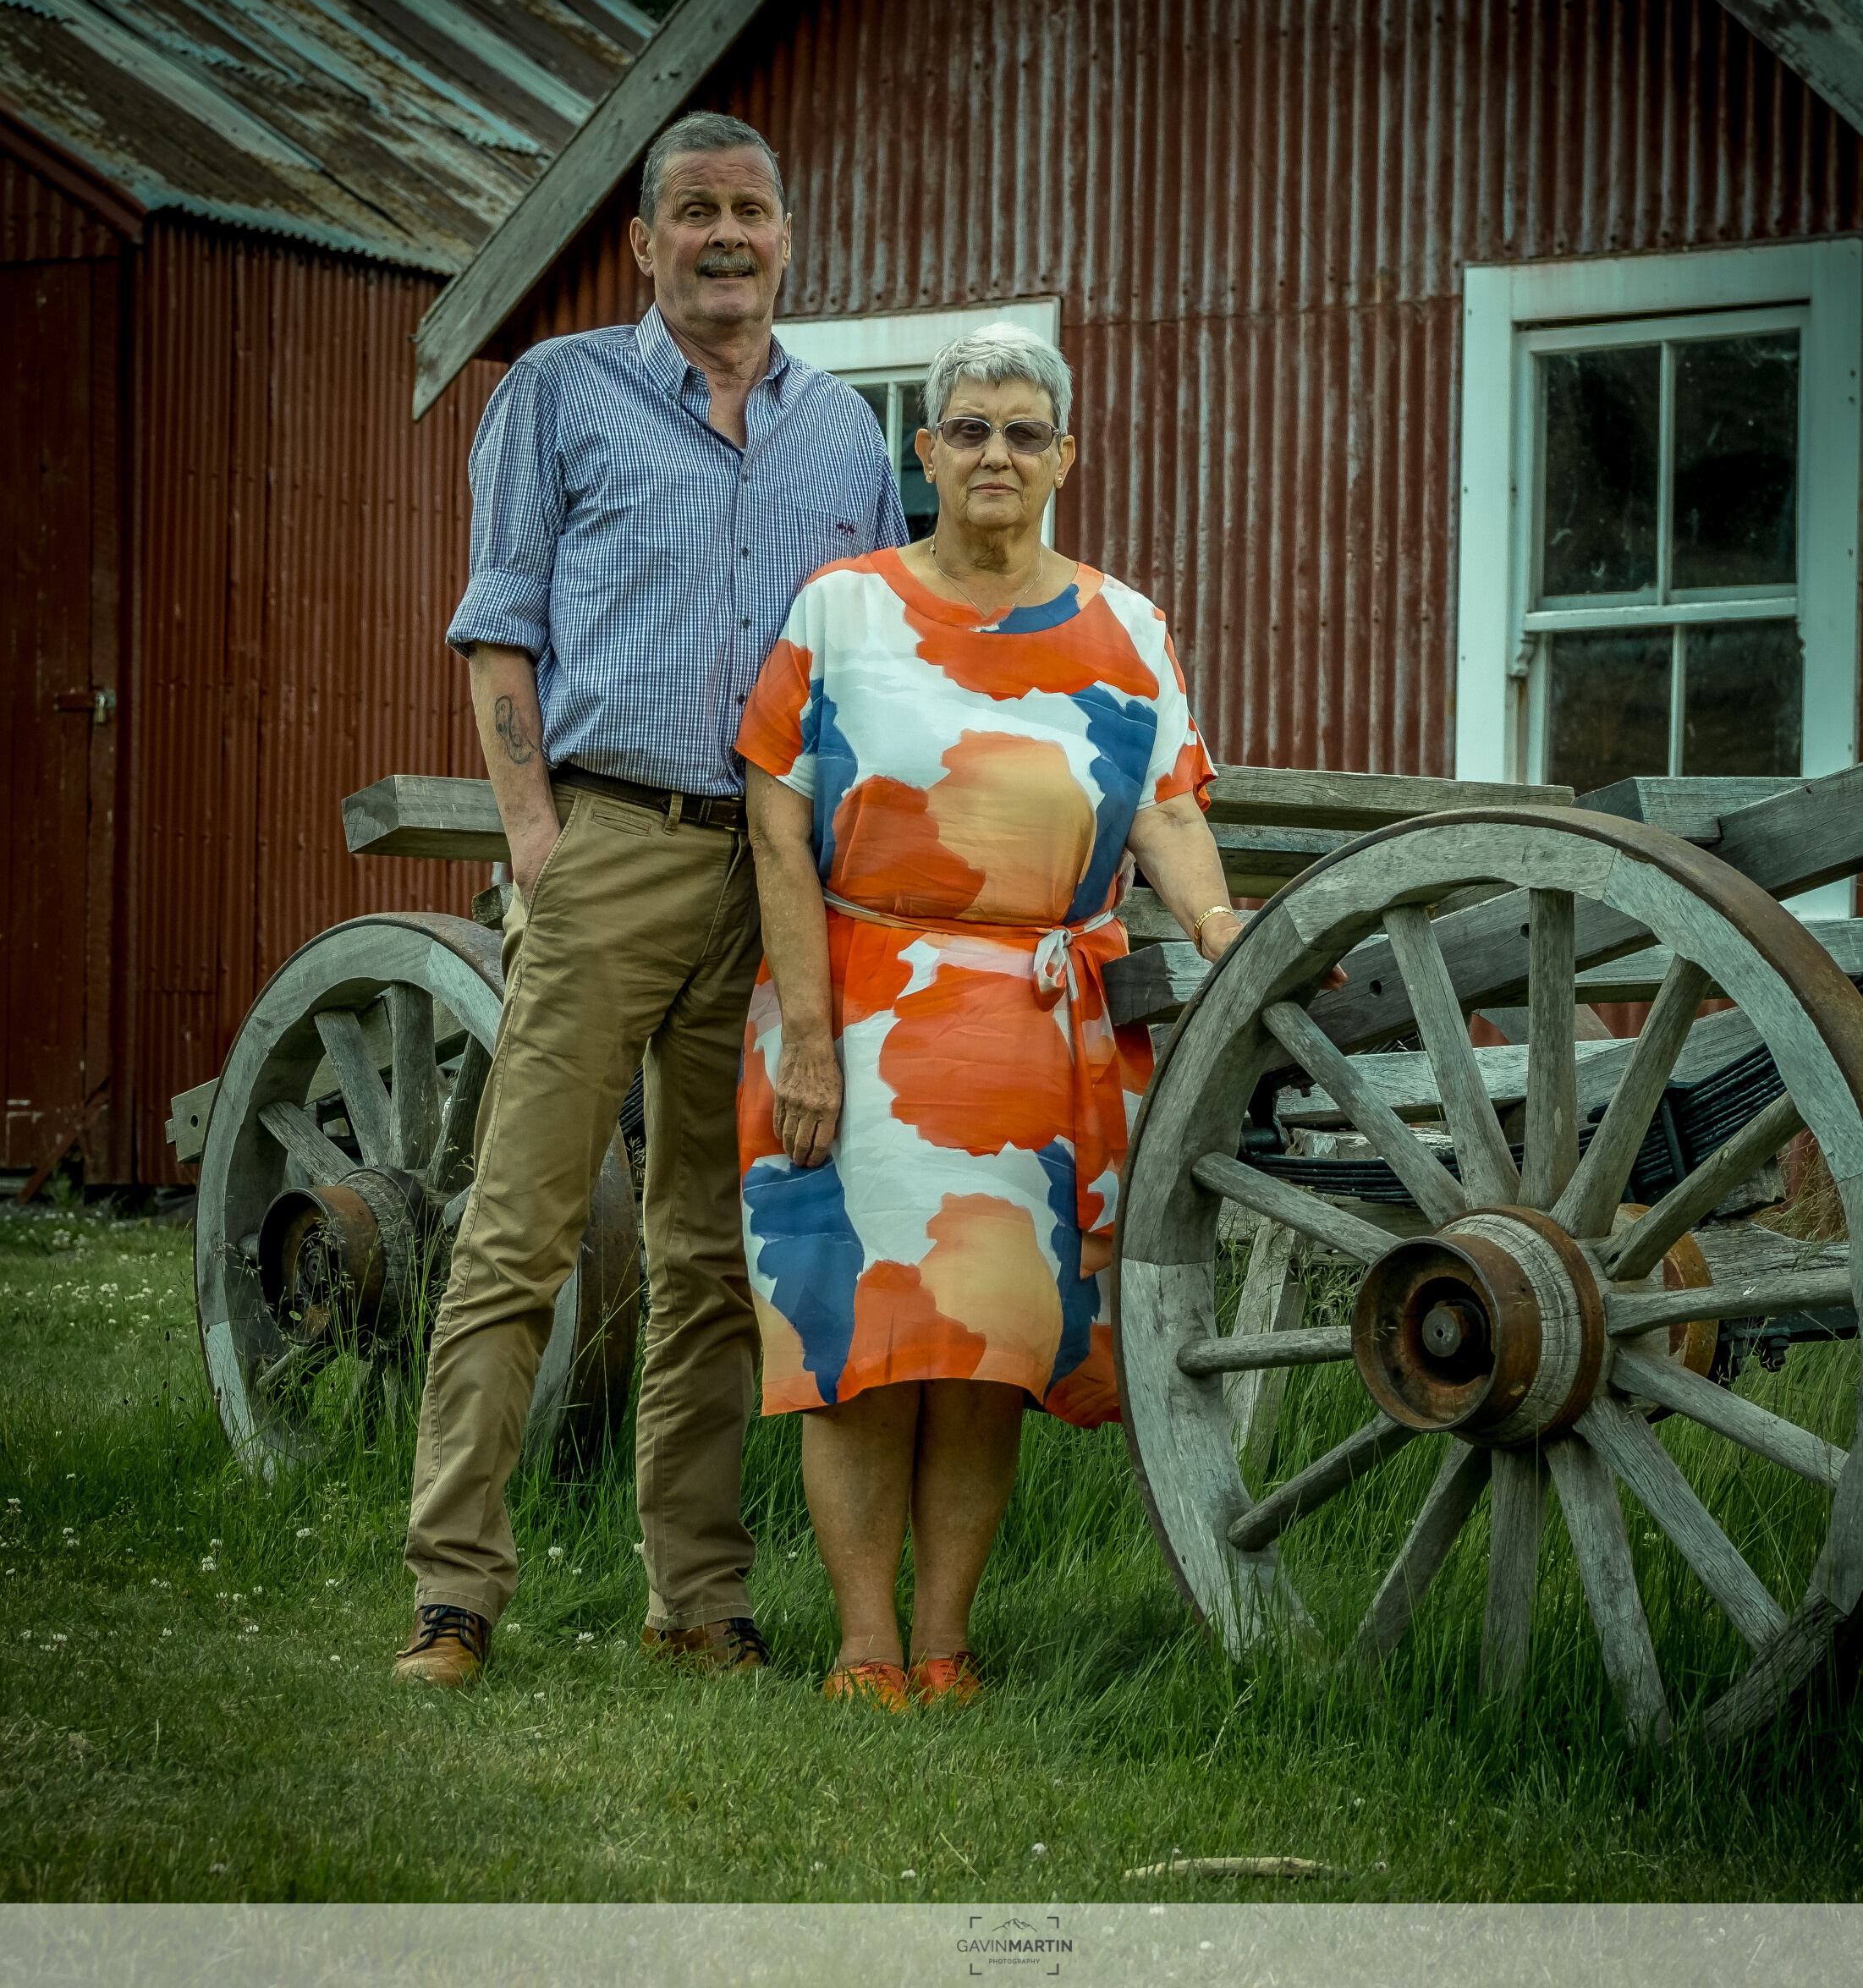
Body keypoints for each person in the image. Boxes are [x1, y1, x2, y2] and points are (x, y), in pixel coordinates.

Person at [393, 113, 908, 1686]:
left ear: (789, 239)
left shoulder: (847, 437)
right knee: (521, 1227)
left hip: (778, 877)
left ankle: (698, 1600)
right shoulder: (559, 393)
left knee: (707, 1253)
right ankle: (453, 1596)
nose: (727, 235)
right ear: (643, 242)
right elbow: (500, 624)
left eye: (752, 209)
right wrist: (537, 838)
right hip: (609, 843)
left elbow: (880, 659)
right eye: (696, 211)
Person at [735, 324, 1245, 1708]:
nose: (996, 454)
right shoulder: (840, 609)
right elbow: (779, 831)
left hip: (1040, 1036)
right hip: (863, 1021)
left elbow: (1168, 811)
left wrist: (1216, 925)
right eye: (968, 429)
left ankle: (946, 1646)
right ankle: (864, 1649)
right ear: (927, 452)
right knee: (860, 1348)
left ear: (1065, 456)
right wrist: (809, 1042)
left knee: (981, 1352)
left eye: (1024, 431)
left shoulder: (1127, 626)